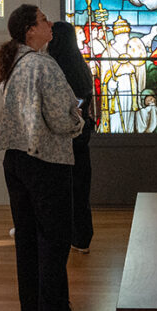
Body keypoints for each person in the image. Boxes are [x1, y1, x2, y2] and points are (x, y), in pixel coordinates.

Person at [0, 4, 89, 311]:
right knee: (54, 240)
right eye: (43, 20)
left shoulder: (14, 63)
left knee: (29, 237)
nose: (49, 24)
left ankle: (33, 305)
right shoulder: (43, 65)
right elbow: (61, 117)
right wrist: (79, 119)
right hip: (46, 161)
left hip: (15, 160)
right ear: (30, 30)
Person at [47, 21, 96, 254]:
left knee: (59, 188)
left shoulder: (55, 66)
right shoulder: (81, 65)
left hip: (63, 134)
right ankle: (82, 237)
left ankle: (62, 235)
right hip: (82, 133)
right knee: (80, 186)